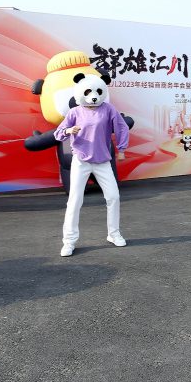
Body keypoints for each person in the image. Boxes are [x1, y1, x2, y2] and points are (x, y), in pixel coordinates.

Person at [54, 76, 131, 257]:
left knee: (113, 197)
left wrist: (122, 149)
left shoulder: (108, 109)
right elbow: (58, 133)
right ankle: (69, 241)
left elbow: (122, 127)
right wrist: (68, 130)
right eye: (88, 92)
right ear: (80, 92)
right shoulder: (74, 112)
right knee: (75, 201)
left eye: (97, 91)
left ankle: (114, 233)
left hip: (103, 162)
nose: (93, 95)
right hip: (81, 161)